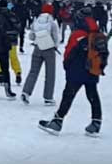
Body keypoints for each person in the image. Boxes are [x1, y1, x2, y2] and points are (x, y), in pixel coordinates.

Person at [39, 8, 107, 137]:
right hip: (93, 68)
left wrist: (66, 66)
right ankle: (96, 122)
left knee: (68, 95)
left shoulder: (77, 34)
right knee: (92, 94)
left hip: (77, 70)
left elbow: (69, 53)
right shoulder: (97, 33)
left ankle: (57, 121)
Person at [22, 3, 60, 106]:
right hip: (49, 49)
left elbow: (31, 36)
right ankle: (48, 97)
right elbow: (56, 37)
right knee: (50, 74)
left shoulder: (36, 21)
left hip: (37, 48)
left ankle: (26, 91)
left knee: (33, 71)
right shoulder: (52, 22)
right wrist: (55, 46)